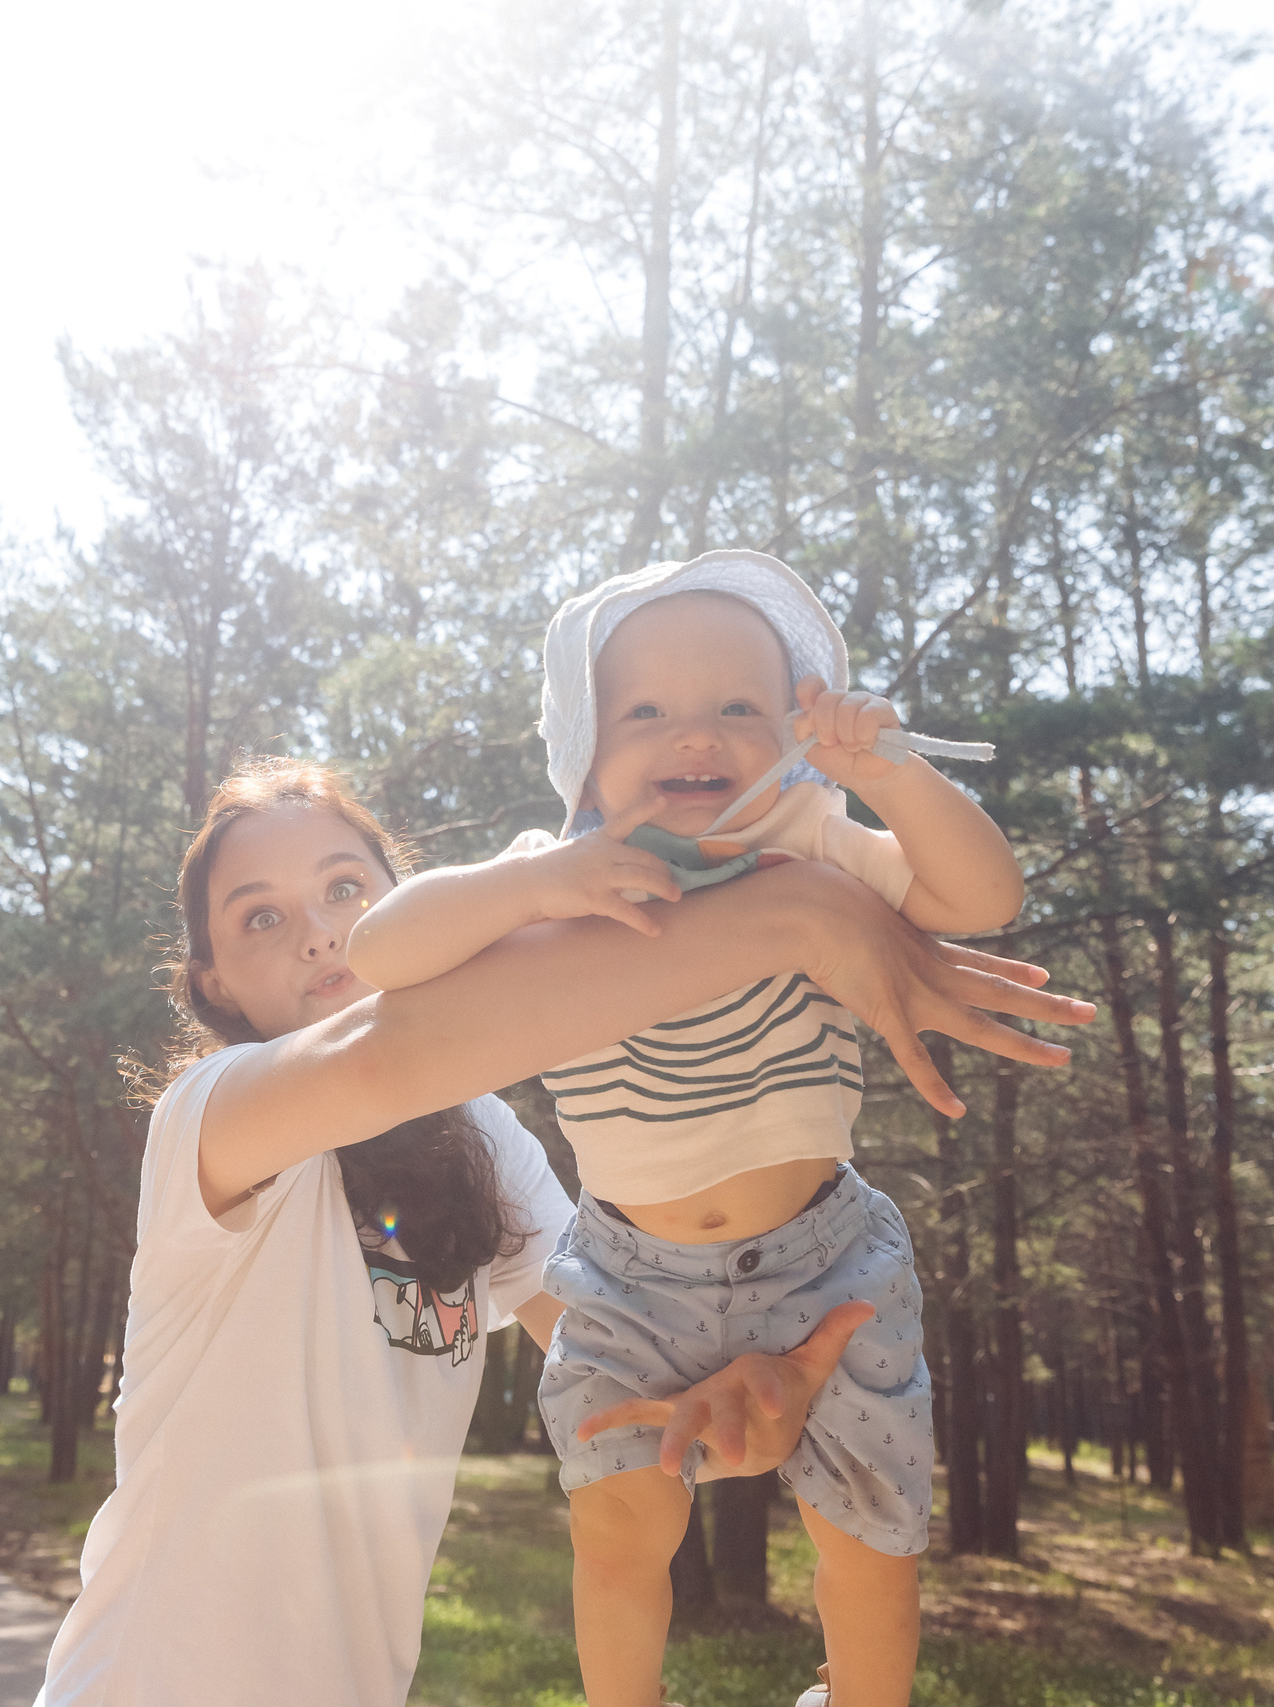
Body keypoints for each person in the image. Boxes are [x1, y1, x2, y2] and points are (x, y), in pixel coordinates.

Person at [32, 754, 1090, 1706]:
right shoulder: (209, 1124)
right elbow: (382, 1056)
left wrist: (740, 1414)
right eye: (260, 918)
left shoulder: (484, 1146)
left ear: (402, 909)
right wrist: (797, 914)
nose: (317, 930)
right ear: (213, 989)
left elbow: (623, 1383)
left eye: (345, 889)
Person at [349, 551, 1024, 1707]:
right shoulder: (553, 873)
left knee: (870, 1536)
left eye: (738, 708)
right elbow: (379, 953)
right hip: (625, 1275)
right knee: (616, 1529)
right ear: (584, 752)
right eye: (646, 710)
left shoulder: (811, 837)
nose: (694, 734)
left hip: (825, 1257)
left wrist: (894, 775)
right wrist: (533, 887)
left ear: (798, 738)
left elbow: (980, 902)